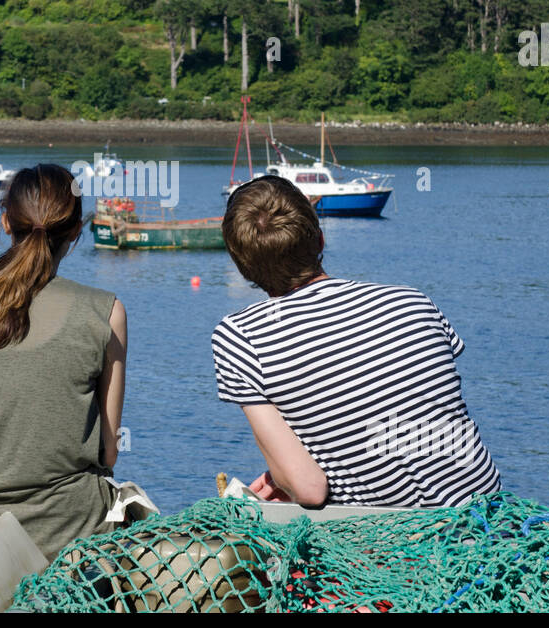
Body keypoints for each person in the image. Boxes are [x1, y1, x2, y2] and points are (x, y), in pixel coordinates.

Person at [212, 175, 501, 507]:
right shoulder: (412, 301)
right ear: (320, 240)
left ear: (243, 267)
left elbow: (309, 488)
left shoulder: (239, 336)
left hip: (393, 544)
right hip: (488, 524)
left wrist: (280, 477)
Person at [0, 164, 127, 558]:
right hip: (67, 530)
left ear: (5, 221)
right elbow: (108, 451)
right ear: (76, 229)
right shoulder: (104, 312)